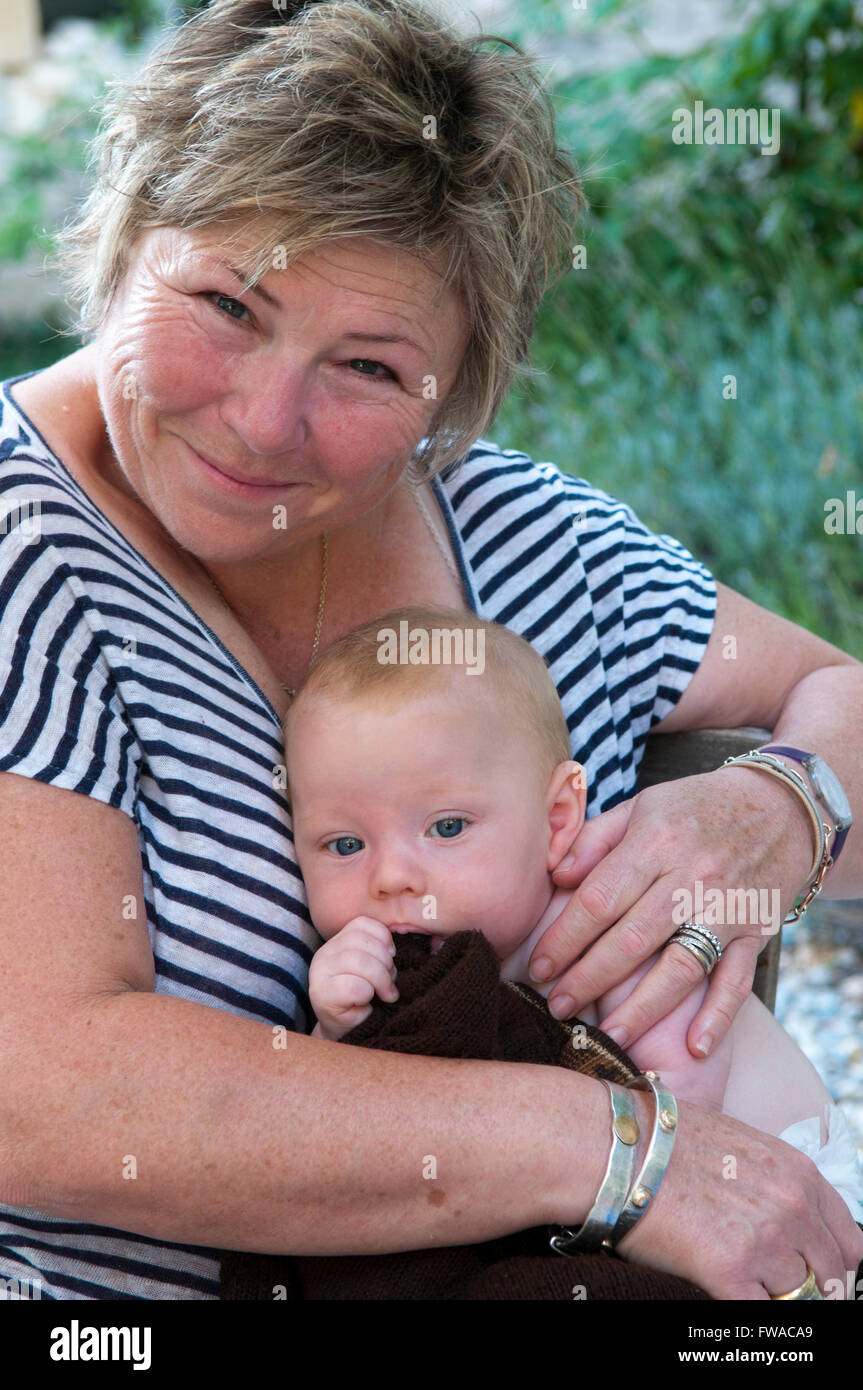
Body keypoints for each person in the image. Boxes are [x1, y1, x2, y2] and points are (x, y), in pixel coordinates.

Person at [0, 0, 861, 1302]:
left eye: (366, 365)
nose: (263, 418)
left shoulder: (520, 532)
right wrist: (614, 1149)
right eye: (228, 303)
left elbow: (833, 688)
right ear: (121, 247)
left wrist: (779, 804)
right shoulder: (24, 548)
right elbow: (42, 1099)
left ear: (452, 392)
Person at [290, 605, 863, 1219]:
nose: (391, 877)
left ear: (558, 820)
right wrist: (339, 1026)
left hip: (789, 1192)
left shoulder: (610, 930)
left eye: (447, 827)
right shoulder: (409, 960)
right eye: (345, 845)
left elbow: (686, 1119)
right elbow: (363, 1098)